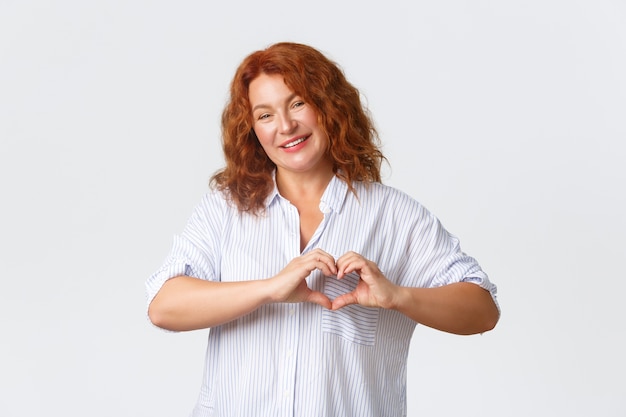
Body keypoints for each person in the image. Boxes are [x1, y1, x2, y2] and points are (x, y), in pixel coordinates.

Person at [146, 41, 500, 417]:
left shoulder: (394, 215)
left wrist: (398, 296)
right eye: (265, 115)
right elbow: (163, 307)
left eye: (298, 103)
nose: (285, 126)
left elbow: (483, 310)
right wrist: (268, 289)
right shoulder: (225, 210)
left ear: (329, 107)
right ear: (251, 129)